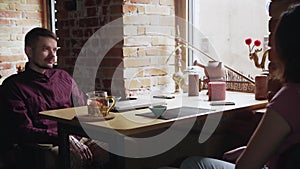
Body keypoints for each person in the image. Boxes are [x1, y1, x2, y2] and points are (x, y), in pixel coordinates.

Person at [178, 3, 300, 169]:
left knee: (193, 163)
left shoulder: (289, 98)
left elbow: (245, 166)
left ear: (285, 48)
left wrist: (251, 156)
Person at [0, 27, 109, 169]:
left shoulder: (64, 77)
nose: (52, 55)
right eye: (45, 49)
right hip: (43, 144)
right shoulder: (13, 86)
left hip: (75, 136)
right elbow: (23, 130)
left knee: (114, 149)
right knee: (73, 158)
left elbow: (83, 111)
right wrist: (62, 137)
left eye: (55, 50)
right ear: (29, 51)